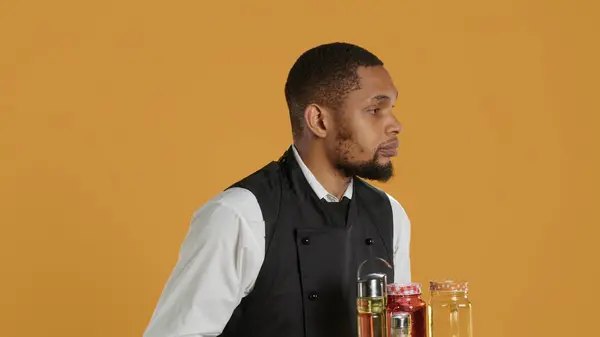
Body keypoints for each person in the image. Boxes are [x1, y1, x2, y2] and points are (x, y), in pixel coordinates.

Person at [143, 42, 412, 337]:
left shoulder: (388, 214)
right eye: (374, 109)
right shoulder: (240, 216)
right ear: (319, 121)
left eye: (391, 109)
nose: (395, 125)